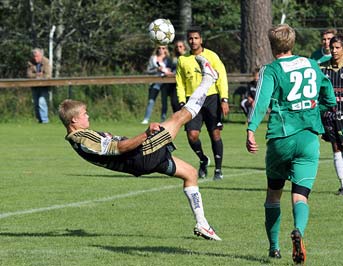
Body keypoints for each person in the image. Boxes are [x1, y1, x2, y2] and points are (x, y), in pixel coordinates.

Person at [59, 55, 222, 241]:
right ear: (74, 120)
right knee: (180, 117)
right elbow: (119, 147)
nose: (87, 116)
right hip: (142, 156)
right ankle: (208, 79)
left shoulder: (80, 136)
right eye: (84, 114)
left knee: (191, 173)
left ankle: (202, 224)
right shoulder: (82, 138)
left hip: (139, 159)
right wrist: (146, 134)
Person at [246, 24, 336, 264]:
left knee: (274, 195)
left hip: (281, 138)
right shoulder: (312, 64)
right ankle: (299, 232)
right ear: (293, 43)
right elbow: (328, 96)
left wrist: (250, 129)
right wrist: (317, 111)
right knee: (300, 196)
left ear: (271, 45)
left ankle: (274, 248)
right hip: (308, 138)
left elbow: (261, 101)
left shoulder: (272, 69)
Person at [176, 26, 229, 180]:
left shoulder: (212, 56)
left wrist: (224, 99)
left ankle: (218, 170)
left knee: (215, 133)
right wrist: (181, 102)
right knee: (192, 135)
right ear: (188, 41)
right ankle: (203, 159)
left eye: (196, 38)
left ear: (201, 39)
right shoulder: (183, 60)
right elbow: (180, 82)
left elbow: (222, 78)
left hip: (211, 98)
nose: (193, 41)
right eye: (190, 38)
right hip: (192, 100)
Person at [320, 34, 343, 195]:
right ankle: (342, 184)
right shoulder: (322, 68)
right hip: (329, 115)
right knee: (335, 147)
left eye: (337, 47)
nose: (333, 50)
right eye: (332, 47)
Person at [141, 45, 173, 124]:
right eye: (159, 48)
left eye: (163, 48)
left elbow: (171, 69)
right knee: (151, 101)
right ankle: (146, 119)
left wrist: (168, 71)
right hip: (155, 82)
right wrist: (156, 69)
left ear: (166, 49)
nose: (161, 50)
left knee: (164, 101)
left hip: (165, 82)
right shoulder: (153, 58)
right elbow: (148, 70)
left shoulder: (168, 59)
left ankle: (163, 119)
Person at [27, 48, 52, 123]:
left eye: (37, 56)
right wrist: (37, 74)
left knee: (42, 102)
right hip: (34, 86)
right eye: (34, 56)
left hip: (44, 86)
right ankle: (39, 120)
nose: (35, 58)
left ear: (41, 55)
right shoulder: (30, 62)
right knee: (35, 103)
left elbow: (48, 75)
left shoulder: (46, 61)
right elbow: (29, 74)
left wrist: (38, 76)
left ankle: (45, 120)